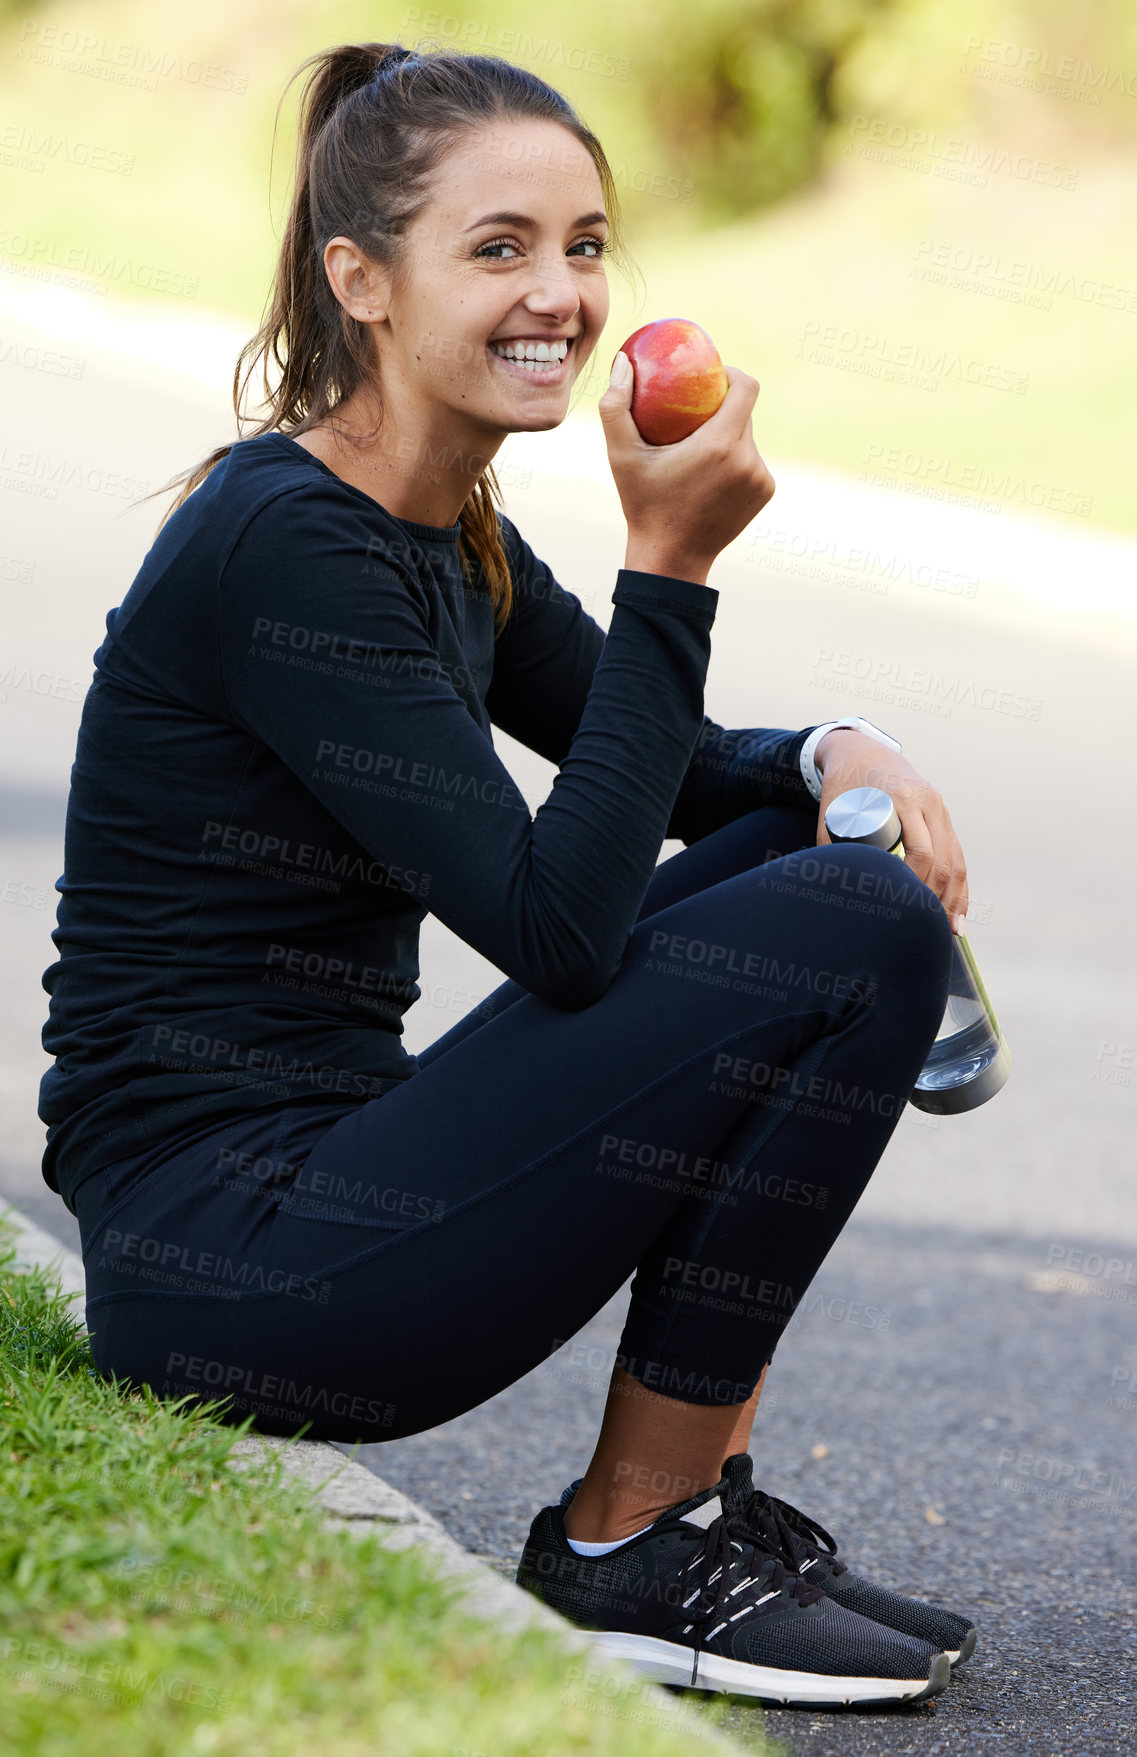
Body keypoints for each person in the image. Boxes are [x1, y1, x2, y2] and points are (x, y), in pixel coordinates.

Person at [39, 42, 977, 1707]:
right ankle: (637, 1542)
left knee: (811, 862)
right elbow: (557, 928)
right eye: (500, 248)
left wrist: (830, 750)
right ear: (363, 281)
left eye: (586, 243)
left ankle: (670, 1519)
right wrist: (670, 562)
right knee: (845, 924)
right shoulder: (289, 541)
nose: (563, 293)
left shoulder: (436, 514)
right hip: (233, 1266)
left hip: (320, 1192)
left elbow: (668, 770)